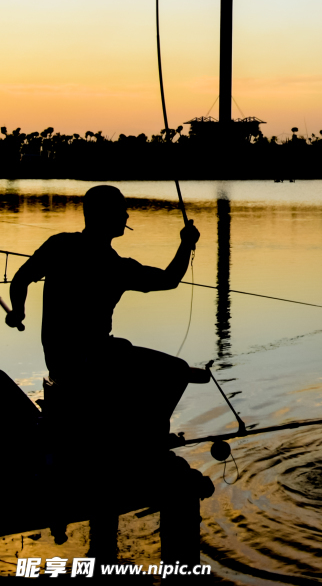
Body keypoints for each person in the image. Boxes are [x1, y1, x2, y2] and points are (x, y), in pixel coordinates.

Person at [5, 184, 202, 447]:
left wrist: (18, 309)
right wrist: (186, 244)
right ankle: (151, 439)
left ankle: (131, 430)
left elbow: (21, 279)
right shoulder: (116, 267)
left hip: (59, 359)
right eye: (122, 210)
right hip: (92, 359)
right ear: (104, 215)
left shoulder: (60, 245)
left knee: (126, 354)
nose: (127, 216)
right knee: (176, 370)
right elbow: (169, 279)